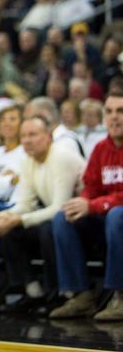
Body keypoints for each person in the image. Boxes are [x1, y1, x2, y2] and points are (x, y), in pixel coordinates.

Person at [0, 115, 85, 315]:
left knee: (48, 230)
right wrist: (4, 216)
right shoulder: (28, 160)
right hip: (59, 217)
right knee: (9, 230)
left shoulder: (60, 156)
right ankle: (31, 291)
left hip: (81, 220)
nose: (27, 140)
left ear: (48, 137)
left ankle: (58, 293)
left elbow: (59, 207)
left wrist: (19, 219)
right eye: (23, 136)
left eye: (33, 135)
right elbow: (25, 202)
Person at [49, 92, 123, 321]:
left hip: (116, 217)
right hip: (106, 218)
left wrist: (93, 205)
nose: (114, 118)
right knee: (64, 216)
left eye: (120, 111)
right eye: (109, 112)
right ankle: (81, 295)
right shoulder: (101, 149)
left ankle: (119, 294)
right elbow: (90, 187)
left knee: (117, 215)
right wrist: (81, 202)